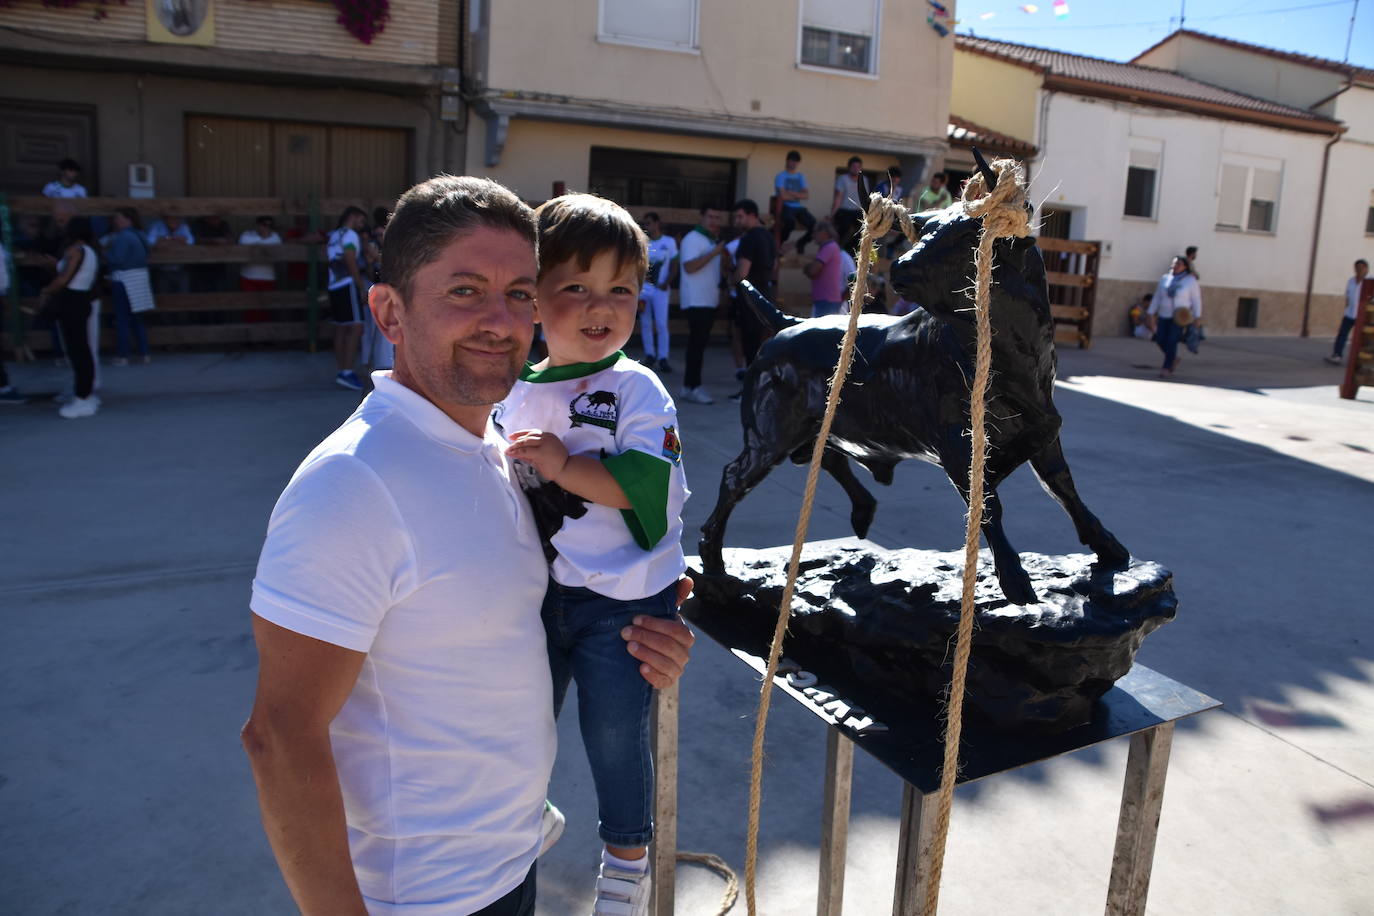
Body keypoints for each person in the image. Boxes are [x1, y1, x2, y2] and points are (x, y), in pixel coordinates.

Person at [242, 175, 693, 916]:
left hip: (513, 864)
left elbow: (534, 591)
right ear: (388, 310)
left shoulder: (497, 443)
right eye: (464, 291)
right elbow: (279, 738)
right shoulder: (352, 485)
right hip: (424, 900)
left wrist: (653, 604)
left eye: (519, 293)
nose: (500, 319)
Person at [496, 193, 689, 916]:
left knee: (613, 733)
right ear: (533, 298)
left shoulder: (636, 386)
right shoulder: (511, 389)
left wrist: (560, 464)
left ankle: (626, 859)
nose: (599, 305)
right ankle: (530, 812)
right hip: (540, 594)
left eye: (620, 290)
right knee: (520, 719)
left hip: (624, 602)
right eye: (576, 286)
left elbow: (645, 483)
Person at [37, 217, 100, 417]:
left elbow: (64, 279)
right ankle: (85, 393)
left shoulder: (75, 251)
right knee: (82, 349)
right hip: (82, 299)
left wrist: (47, 290)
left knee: (77, 350)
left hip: (72, 301)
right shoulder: (90, 251)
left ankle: (83, 396)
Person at [677, 204, 727, 405]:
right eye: (710, 216)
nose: (714, 221)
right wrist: (715, 252)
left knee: (699, 345)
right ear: (702, 217)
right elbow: (689, 267)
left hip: (708, 300)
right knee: (696, 346)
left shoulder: (709, 240)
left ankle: (689, 387)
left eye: (717, 217)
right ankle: (693, 387)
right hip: (696, 301)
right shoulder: (692, 239)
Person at [729, 199, 776, 372]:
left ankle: (751, 392)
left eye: (740, 216)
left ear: (752, 215)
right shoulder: (769, 237)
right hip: (766, 297)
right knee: (763, 347)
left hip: (750, 300)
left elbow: (742, 273)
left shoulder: (749, 238)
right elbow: (775, 266)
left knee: (751, 347)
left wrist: (730, 279)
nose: (737, 221)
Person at [326, 206, 369, 391]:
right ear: (353, 216)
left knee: (341, 328)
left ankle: (342, 370)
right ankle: (347, 372)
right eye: (361, 220)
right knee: (356, 326)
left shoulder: (335, 235)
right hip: (347, 284)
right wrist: (361, 287)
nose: (362, 225)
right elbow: (350, 260)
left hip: (334, 284)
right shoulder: (350, 235)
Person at [104, 207, 153, 365]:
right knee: (138, 319)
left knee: (122, 319)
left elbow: (117, 258)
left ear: (128, 219)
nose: (115, 221)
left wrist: (105, 254)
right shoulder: (141, 235)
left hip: (124, 279)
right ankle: (144, 353)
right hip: (140, 279)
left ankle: (123, 355)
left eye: (118, 218)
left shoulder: (123, 237)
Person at [1145, 255, 1202, 378]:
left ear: (1185, 267)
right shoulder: (1165, 278)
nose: (1175, 266)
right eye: (1174, 264)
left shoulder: (1190, 281)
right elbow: (1157, 297)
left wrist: (1197, 316)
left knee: (1171, 340)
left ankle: (1166, 367)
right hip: (1164, 314)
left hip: (1179, 317)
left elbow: (1196, 300)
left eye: (1178, 264)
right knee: (1160, 339)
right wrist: (1151, 312)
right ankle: (1173, 358)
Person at [637, 212, 677, 373]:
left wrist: (667, 282)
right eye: (645, 224)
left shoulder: (669, 242)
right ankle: (650, 355)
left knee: (661, 323)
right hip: (645, 289)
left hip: (661, 289)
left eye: (649, 223)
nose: (647, 226)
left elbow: (675, 264)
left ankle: (663, 357)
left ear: (657, 223)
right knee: (645, 323)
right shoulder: (642, 242)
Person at [1326, 259, 1369, 366]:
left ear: (1366, 269)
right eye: (1357, 267)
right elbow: (1348, 297)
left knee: (1362, 339)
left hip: (1363, 316)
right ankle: (1337, 355)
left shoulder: (1370, 281)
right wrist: (1346, 308)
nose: (1359, 270)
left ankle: (1361, 360)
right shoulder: (1351, 281)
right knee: (1342, 335)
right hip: (1349, 314)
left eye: (1361, 268)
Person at [774, 150, 816, 254]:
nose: (793, 163)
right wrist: (798, 194)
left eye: (796, 162)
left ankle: (801, 243)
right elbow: (782, 196)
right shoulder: (781, 176)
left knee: (814, 225)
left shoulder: (800, 177)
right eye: (792, 161)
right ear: (787, 161)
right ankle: (779, 245)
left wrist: (791, 193)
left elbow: (806, 195)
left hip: (798, 207)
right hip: (785, 206)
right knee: (789, 223)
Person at [146, 213, 195, 295]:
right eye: (172, 218)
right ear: (165, 219)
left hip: (181, 269)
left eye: (177, 218)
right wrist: (174, 239)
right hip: (162, 270)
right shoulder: (157, 225)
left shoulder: (183, 226)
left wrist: (164, 241)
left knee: (184, 297)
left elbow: (190, 242)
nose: (175, 221)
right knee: (163, 296)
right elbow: (150, 242)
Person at [804, 220, 845, 318]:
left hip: (827, 300)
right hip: (826, 299)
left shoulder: (829, 247)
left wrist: (806, 268)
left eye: (815, 232)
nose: (813, 235)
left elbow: (813, 270)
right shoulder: (830, 247)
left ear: (824, 233)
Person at [830, 156, 865, 253]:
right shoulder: (842, 179)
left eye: (858, 166)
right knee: (844, 228)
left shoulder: (863, 180)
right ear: (849, 167)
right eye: (853, 166)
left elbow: (866, 199)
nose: (856, 169)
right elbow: (838, 198)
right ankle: (839, 250)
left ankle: (853, 252)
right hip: (844, 210)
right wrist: (832, 214)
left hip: (858, 211)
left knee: (863, 230)